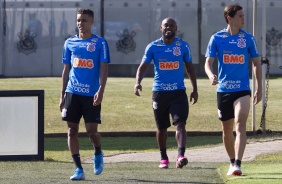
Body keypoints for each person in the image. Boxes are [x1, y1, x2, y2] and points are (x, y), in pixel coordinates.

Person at [204, 4, 262, 176]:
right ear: (229, 18)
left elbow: (257, 64)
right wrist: (210, 75)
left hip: (243, 90)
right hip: (223, 90)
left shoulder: (248, 39)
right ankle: (231, 161)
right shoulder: (216, 38)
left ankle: (237, 163)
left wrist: (258, 88)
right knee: (226, 129)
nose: (243, 18)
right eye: (240, 16)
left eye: (244, 16)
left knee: (240, 124)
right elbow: (208, 63)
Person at [134, 17, 198, 169]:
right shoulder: (153, 47)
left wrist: (195, 89)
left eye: (172, 26)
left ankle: (181, 155)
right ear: (160, 28)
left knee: (180, 124)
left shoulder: (183, 46)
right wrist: (137, 82)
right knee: (162, 128)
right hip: (160, 93)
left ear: (176, 29)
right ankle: (163, 157)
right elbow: (142, 67)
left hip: (178, 93)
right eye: (166, 25)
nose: (169, 27)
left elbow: (190, 69)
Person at [59, 8, 110, 180]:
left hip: (91, 95)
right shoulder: (69, 43)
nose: (81, 23)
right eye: (79, 20)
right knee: (71, 131)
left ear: (92, 22)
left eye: (84, 20)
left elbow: (104, 68)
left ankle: (98, 151)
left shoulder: (100, 43)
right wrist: (62, 95)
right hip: (72, 93)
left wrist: (100, 90)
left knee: (91, 132)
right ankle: (79, 169)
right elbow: (66, 70)